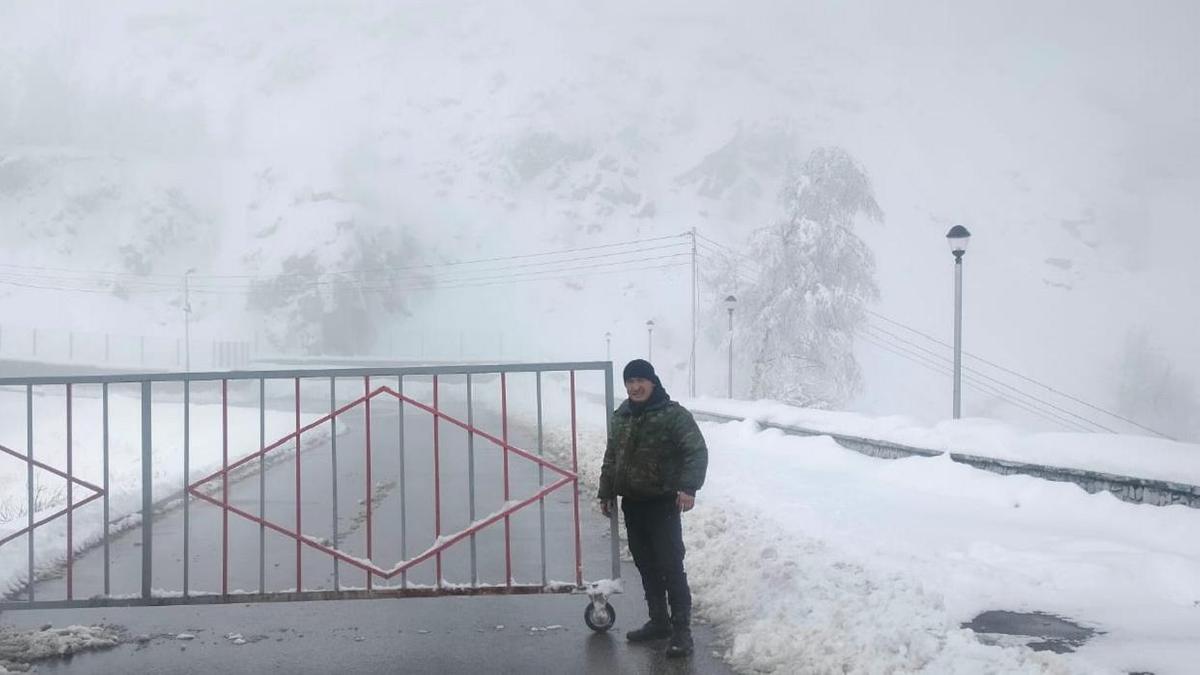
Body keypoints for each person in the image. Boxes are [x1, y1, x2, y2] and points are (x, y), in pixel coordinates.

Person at [597, 359, 708, 658]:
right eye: (629, 382)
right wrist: (606, 492)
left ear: (653, 382)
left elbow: (696, 450)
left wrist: (688, 488)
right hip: (633, 504)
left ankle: (682, 633)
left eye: (640, 380)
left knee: (671, 566)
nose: (634, 387)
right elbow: (612, 456)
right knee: (646, 565)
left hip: (663, 504)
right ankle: (659, 622)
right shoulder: (621, 416)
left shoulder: (673, 415)